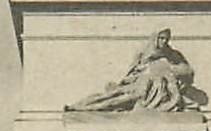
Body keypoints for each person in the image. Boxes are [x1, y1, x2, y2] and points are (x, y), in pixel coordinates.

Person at [65, 28, 201, 112]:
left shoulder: (173, 56)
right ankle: (81, 107)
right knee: (111, 97)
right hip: (139, 86)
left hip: (150, 92)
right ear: (155, 38)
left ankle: (85, 107)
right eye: (161, 38)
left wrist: (170, 69)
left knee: (117, 101)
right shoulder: (143, 54)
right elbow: (131, 73)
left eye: (166, 38)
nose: (163, 41)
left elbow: (188, 71)